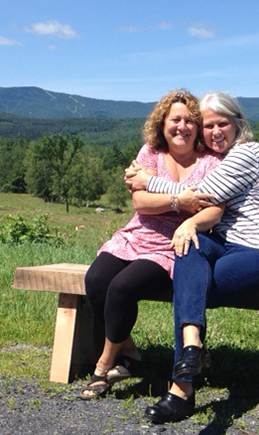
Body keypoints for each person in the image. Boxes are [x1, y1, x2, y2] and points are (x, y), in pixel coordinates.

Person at [126, 92, 259, 423]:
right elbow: (199, 208)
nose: (215, 132)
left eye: (222, 124)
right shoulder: (223, 158)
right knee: (187, 246)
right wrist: (188, 225)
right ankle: (192, 348)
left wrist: (147, 181)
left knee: (190, 286)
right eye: (209, 126)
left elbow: (198, 195)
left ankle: (181, 388)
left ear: (238, 124)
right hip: (225, 244)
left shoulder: (246, 155)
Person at [79, 89, 222, 399]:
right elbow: (141, 202)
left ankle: (104, 365)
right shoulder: (151, 153)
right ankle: (128, 351)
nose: (182, 126)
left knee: (122, 288)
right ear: (162, 123)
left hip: (171, 245)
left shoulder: (210, 162)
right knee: (97, 280)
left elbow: (208, 205)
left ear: (197, 127)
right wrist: (179, 199)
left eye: (189, 121)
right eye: (175, 119)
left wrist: (171, 202)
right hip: (136, 235)